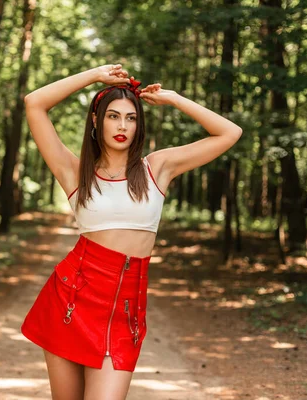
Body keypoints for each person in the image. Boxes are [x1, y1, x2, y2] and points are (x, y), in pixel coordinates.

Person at [20, 64, 242, 400]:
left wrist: (175, 99)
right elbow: (34, 102)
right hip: (71, 302)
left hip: (125, 310)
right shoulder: (74, 172)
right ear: (96, 121)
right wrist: (95, 75)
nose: (122, 125)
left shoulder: (157, 168)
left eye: (131, 117)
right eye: (112, 116)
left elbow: (229, 133)